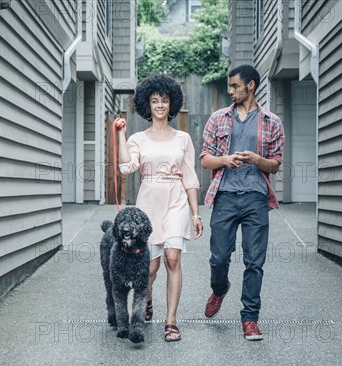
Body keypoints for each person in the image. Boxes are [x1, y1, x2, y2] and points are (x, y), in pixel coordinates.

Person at [116, 74, 203, 342]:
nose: (160, 105)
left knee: (173, 259)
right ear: (148, 105)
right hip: (149, 202)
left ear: (171, 103)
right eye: (155, 101)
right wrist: (121, 134)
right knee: (150, 268)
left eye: (165, 100)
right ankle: (148, 300)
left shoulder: (183, 138)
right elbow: (126, 167)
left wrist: (196, 213)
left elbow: (189, 177)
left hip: (176, 200)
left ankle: (171, 322)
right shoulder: (139, 139)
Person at [200, 65, 284, 341]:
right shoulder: (217, 119)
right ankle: (220, 288)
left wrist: (257, 160)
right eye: (230, 86)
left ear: (251, 86)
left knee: (254, 261)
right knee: (219, 257)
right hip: (224, 195)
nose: (230, 91)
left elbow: (275, 165)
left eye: (235, 86)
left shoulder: (272, 122)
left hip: (255, 198)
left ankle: (250, 318)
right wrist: (226, 160)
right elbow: (205, 160)